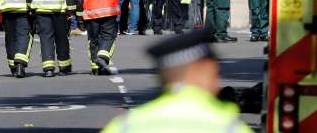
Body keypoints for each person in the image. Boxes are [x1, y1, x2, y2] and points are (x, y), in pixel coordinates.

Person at [101, 27, 253, 133]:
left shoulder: (124, 127)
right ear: (199, 72)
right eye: (215, 72)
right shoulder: (229, 128)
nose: (218, 82)